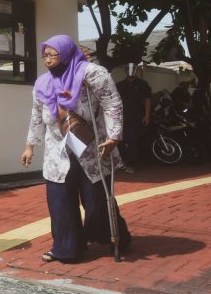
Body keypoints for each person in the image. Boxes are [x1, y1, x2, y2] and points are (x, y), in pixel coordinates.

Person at [21, 35, 131, 263]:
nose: (47, 59)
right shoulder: (42, 83)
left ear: (66, 53)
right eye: (44, 55)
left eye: (52, 55)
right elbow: (36, 115)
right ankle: (67, 248)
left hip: (91, 147)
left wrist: (114, 137)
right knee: (60, 202)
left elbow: (112, 103)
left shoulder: (92, 73)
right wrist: (30, 145)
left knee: (97, 201)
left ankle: (114, 237)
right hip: (57, 151)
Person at [115, 63, 152, 173]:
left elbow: (147, 100)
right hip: (121, 117)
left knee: (132, 140)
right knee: (119, 140)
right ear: (125, 71)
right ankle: (122, 161)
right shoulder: (120, 85)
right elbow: (114, 101)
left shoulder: (142, 84)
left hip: (136, 116)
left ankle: (131, 164)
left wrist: (147, 115)